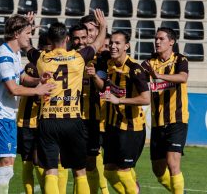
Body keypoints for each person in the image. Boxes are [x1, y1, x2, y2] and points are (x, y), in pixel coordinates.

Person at [0, 14, 55, 194]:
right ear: (16, 34)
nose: (30, 37)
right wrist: (38, 91)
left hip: (5, 116)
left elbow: (22, 77)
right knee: (6, 170)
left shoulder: (14, 54)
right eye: (28, 33)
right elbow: (13, 89)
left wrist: (39, 79)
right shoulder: (3, 54)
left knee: (6, 171)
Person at [27, 9, 107, 194]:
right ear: (67, 39)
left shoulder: (41, 58)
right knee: (80, 171)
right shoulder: (78, 57)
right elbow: (97, 44)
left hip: (48, 119)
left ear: (49, 40)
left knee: (51, 170)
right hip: (72, 119)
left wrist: (29, 27)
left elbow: (26, 46)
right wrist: (103, 27)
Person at [86, 30, 150, 194]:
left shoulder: (135, 69)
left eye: (117, 43)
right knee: (108, 171)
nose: (113, 46)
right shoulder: (109, 64)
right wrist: (94, 77)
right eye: (112, 43)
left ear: (126, 46)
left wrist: (119, 100)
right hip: (112, 125)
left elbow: (145, 99)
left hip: (130, 128)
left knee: (122, 171)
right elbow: (106, 89)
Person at [141, 27, 189, 194]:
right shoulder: (149, 63)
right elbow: (137, 80)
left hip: (177, 119)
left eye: (161, 39)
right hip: (157, 123)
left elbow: (182, 77)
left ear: (171, 42)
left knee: (173, 162)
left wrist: (158, 76)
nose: (157, 42)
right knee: (158, 171)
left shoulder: (180, 59)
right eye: (156, 39)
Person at [16, 33, 53, 194]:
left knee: (40, 161)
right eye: (50, 49)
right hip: (26, 121)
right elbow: (37, 94)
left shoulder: (55, 67)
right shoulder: (31, 66)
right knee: (27, 163)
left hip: (43, 122)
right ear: (44, 48)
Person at [79, 15, 111, 194]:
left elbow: (106, 88)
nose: (88, 35)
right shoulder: (76, 56)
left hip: (107, 118)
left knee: (115, 165)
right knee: (86, 162)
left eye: (91, 31)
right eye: (86, 31)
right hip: (83, 118)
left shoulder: (107, 58)